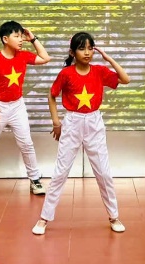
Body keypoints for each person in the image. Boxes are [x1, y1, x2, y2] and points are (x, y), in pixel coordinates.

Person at [33, 32, 129, 235]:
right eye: (82, 48)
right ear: (72, 52)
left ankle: (114, 216)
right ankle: (44, 218)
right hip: (73, 121)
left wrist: (108, 58)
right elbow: (52, 96)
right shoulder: (66, 74)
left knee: (103, 172)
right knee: (61, 172)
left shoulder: (100, 71)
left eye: (90, 48)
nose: (87, 52)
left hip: (94, 122)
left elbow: (125, 79)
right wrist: (56, 121)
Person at [0, 20, 50, 194]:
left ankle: (35, 180)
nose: (21, 40)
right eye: (17, 36)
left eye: (22, 36)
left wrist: (33, 38)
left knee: (26, 144)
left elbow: (45, 58)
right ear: (5, 39)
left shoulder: (23, 55)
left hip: (17, 106)